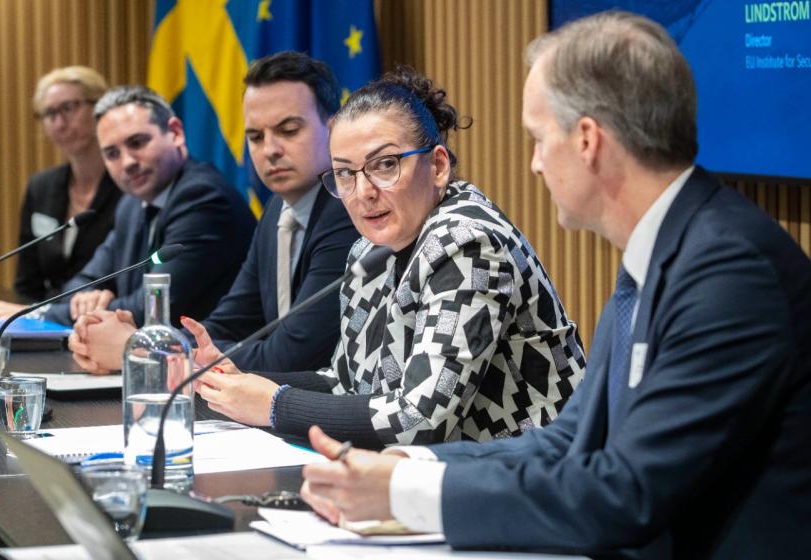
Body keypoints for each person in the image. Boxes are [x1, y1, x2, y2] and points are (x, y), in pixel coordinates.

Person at [300, 11, 811, 559]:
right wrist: (408, 466)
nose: (536, 164)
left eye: (539, 139)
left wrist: (406, 493)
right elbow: (571, 439)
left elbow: (624, 492)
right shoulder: (665, 249)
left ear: (587, 139)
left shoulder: (728, 273)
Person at [183, 67, 585, 449]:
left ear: (439, 166)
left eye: (385, 165)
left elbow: (420, 419)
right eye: (345, 173)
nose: (363, 192)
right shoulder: (369, 251)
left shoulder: (468, 243)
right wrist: (239, 384)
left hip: (533, 478)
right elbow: (346, 385)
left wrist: (274, 404)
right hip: (440, 480)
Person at [67, 51, 360, 373]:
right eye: (255, 137)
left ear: (334, 130)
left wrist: (139, 350)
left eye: (289, 130)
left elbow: (289, 356)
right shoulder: (278, 209)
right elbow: (226, 325)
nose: (270, 150)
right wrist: (154, 345)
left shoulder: (347, 209)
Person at [0, 85, 254, 326]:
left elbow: (150, 307)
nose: (128, 162)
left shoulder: (203, 198)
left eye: (137, 142)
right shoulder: (132, 204)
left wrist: (36, 315)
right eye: (112, 153)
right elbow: (88, 278)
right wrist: (84, 299)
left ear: (175, 132)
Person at [0, 66, 122, 315]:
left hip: (108, 317)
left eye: (69, 108)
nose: (59, 122)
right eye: (50, 113)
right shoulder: (41, 188)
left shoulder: (127, 184)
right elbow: (27, 282)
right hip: (47, 324)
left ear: (100, 108)